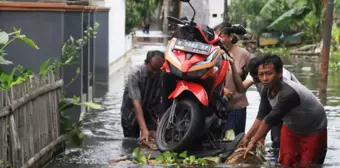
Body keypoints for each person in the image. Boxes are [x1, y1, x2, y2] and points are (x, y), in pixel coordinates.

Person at [242, 54, 327, 167]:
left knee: (308, 165)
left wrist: (253, 142)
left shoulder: (288, 93)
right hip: (291, 126)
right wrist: (246, 138)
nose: (265, 79)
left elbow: (270, 119)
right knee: (285, 163)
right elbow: (262, 114)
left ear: (279, 74)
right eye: (261, 75)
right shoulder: (267, 89)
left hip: (313, 128)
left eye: (269, 73)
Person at [231, 54, 300, 148]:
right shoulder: (258, 73)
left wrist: (259, 136)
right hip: (272, 105)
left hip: (290, 109)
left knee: (281, 140)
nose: (264, 79)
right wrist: (232, 67)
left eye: (267, 74)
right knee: (275, 140)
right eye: (260, 75)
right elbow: (241, 89)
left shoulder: (282, 77)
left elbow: (273, 114)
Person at [214, 22, 251, 137]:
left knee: (237, 141)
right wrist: (221, 90)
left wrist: (243, 86)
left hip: (237, 105)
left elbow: (254, 75)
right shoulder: (212, 53)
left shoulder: (244, 54)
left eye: (221, 36)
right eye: (215, 36)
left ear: (230, 37)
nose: (218, 39)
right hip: (216, 107)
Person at [120, 50, 165, 141]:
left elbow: (159, 101)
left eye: (158, 70)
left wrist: (157, 123)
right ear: (146, 63)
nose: (156, 73)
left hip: (148, 111)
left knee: (155, 137)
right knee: (132, 142)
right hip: (130, 114)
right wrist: (144, 129)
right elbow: (136, 103)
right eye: (153, 69)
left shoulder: (162, 75)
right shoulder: (135, 74)